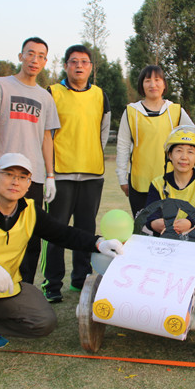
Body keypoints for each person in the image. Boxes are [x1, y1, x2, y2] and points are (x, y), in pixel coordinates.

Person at [0, 153, 123, 385]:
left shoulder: (30, 210)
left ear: (28, 184)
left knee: (43, 322)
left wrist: (98, 243)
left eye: (22, 177)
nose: (15, 182)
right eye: (9, 174)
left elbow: (63, 233)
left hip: (3, 288)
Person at [41, 45, 111, 303]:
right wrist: (49, 173)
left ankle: (80, 279)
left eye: (84, 62)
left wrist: (92, 153)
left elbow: (103, 131)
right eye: (73, 61)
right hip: (61, 175)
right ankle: (52, 283)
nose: (79, 66)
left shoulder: (100, 95)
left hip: (92, 175)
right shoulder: (52, 93)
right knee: (55, 231)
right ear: (65, 66)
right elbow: (46, 134)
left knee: (86, 230)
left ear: (91, 67)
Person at [0, 37, 60, 284]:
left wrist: (50, 175)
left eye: (40, 56)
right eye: (30, 53)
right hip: (4, 174)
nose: (34, 60)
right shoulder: (0, 86)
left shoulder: (45, 97)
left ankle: (25, 288)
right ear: (20, 56)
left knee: (31, 236)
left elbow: (47, 138)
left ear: (45, 62)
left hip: (33, 177)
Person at [116, 65, 195, 216]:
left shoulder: (176, 111)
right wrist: (122, 178)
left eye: (157, 80)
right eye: (148, 80)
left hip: (171, 182)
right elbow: (123, 146)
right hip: (140, 182)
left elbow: (193, 138)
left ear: (164, 84)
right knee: (143, 227)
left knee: (170, 227)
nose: (153, 84)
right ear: (141, 85)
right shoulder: (131, 112)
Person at [145, 126, 195, 243]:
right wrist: (154, 223)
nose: (184, 157)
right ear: (170, 155)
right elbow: (151, 211)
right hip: (166, 239)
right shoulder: (157, 183)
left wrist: (189, 222)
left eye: (190, 152)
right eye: (179, 151)